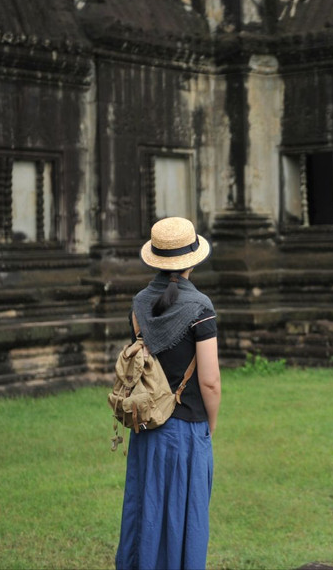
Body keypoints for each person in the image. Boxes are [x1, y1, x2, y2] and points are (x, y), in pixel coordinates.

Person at [116, 216, 221, 570]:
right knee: (184, 516)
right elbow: (210, 382)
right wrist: (212, 424)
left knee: (146, 513)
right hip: (187, 433)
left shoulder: (139, 304)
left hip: (147, 428)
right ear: (192, 259)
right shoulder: (200, 308)